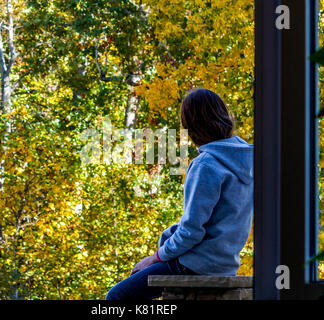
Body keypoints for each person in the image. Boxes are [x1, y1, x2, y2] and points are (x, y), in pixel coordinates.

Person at [105, 88, 254, 300]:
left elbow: (192, 231)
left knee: (117, 297)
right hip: (225, 265)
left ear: (190, 125)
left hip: (196, 265)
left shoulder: (206, 165)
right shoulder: (248, 161)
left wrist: (155, 258)